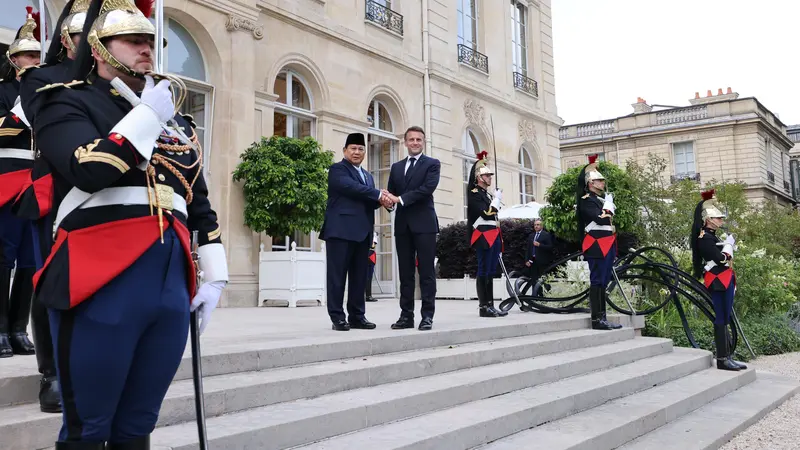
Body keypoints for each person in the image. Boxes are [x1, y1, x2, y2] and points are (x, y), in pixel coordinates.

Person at [33, 0, 228, 447]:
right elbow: (90, 168)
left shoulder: (178, 122)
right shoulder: (64, 101)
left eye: (150, 42)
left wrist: (215, 272)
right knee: (89, 427)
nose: (146, 49)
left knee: (138, 424)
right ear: (99, 49)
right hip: (99, 275)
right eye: (133, 41)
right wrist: (147, 116)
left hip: (168, 280)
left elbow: (194, 195)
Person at [10, 0, 90, 415]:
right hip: (55, 192)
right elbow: (45, 113)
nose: (91, 44)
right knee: (48, 282)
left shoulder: (112, 81)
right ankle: (52, 373)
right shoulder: (41, 77)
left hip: (101, 194)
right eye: (84, 36)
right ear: (65, 38)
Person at [0, 7, 42, 360]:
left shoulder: (48, 93)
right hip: (6, 177)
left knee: (31, 259)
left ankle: (18, 327)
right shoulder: (4, 92)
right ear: (13, 59)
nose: (34, 60)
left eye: (38, 55)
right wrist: (22, 109)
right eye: (28, 54)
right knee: (3, 258)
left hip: (37, 182)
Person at [320, 133, 386, 331]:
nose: (357, 152)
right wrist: (379, 194)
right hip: (340, 232)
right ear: (345, 151)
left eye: (360, 149)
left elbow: (368, 201)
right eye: (353, 148)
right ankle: (337, 317)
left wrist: (384, 201)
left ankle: (357, 316)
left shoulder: (367, 176)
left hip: (362, 233)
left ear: (365, 152)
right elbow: (350, 188)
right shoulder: (337, 169)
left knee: (359, 277)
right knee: (337, 276)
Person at [383, 126, 440, 331]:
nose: (415, 142)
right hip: (403, 226)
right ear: (405, 142)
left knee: (426, 273)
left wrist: (400, 199)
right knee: (405, 273)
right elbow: (392, 192)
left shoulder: (432, 164)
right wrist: (388, 201)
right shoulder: (397, 167)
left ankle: (427, 316)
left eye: (419, 139)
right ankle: (406, 316)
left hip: (425, 225)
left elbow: (427, 190)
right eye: (411, 139)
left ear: (423, 142)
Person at [690, 189, 746, 371]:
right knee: (721, 317)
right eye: (718, 218)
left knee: (725, 316)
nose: (721, 221)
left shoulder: (712, 236)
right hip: (717, 279)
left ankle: (727, 356)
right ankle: (722, 359)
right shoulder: (704, 237)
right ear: (709, 220)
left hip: (724, 278)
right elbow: (720, 259)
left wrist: (727, 246)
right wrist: (728, 247)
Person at [576, 154, 622, 330]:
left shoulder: (599, 200)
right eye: (599, 181)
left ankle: (603, 317)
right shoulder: (586, 201)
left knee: (603, 281)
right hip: (596, 245)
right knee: (597, 281)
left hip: (606, 243)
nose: (603, 183)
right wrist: (608, 208)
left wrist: (607, 205)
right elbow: (600, 219)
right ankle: (597, 319)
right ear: (591, 183)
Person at [466, 152, 507, 318]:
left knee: (491, 271)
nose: (490, 178)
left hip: (493, 234)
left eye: (490, 175)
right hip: (483, 235)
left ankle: (490, 304)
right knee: (483, 270)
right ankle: (484, 306)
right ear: (479, 177)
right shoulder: (475, 193)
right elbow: (487, 214)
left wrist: (494, 199)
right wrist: (496, 200)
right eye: (487, 175)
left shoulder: (486, 195)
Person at [524, 219, 554, 296]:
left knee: (543, 279)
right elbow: (528, 249)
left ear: (542, 226)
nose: (536, 226)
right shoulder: (531, 236)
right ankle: (535, 296)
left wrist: (539, 245)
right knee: (534, 279)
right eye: (535, 225)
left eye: (538, 225)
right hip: (533, 261)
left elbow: (550, 247)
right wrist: (527, 260)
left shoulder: (546, 235)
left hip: (543, 261)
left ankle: (546, 296)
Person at [365, 231, 378, 302]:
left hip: (370, 255)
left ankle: (368, 295)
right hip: (365, 254)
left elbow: (373, 245)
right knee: (366, 277)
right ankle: (366, 295)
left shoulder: (374, 233)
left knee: (369, 277)